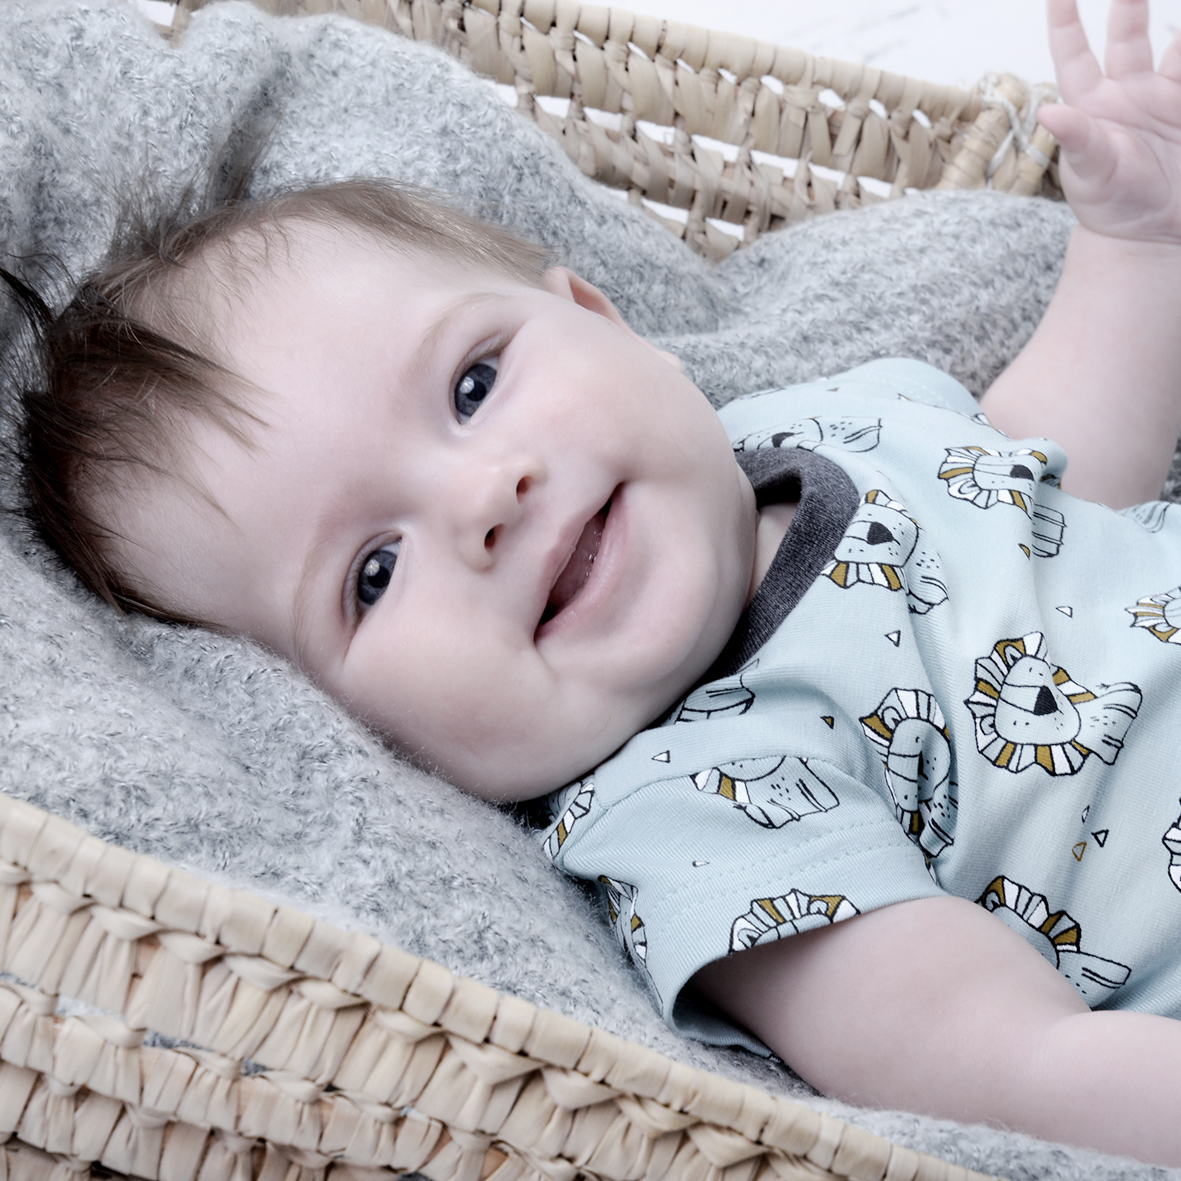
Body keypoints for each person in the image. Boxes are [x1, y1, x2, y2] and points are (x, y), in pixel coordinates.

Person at [10, 0, 1181, 1164]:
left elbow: (1047, 481)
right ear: (357, 730)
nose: (483, 500)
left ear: (601, 318)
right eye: (373, 571)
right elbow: (1015, 1064)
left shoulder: (822, 420)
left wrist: (1133, 248)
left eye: (472, 387)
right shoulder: (697, 813)